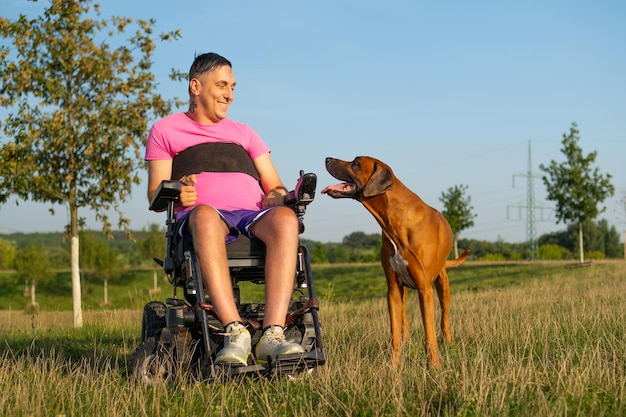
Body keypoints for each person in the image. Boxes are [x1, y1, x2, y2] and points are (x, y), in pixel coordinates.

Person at [145, 52, 304, 366]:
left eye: (232, 86)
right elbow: (155, 194)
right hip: (204, 216)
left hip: (251, 214)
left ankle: (273, 334)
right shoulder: (166, 131)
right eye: (221, 85)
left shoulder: (245, 132)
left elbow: (275, 185)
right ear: (196, 86)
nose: (229, 93)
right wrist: (178, 192)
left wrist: (277, 196)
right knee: (204, 214)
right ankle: (235, 331)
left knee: (286, 218)